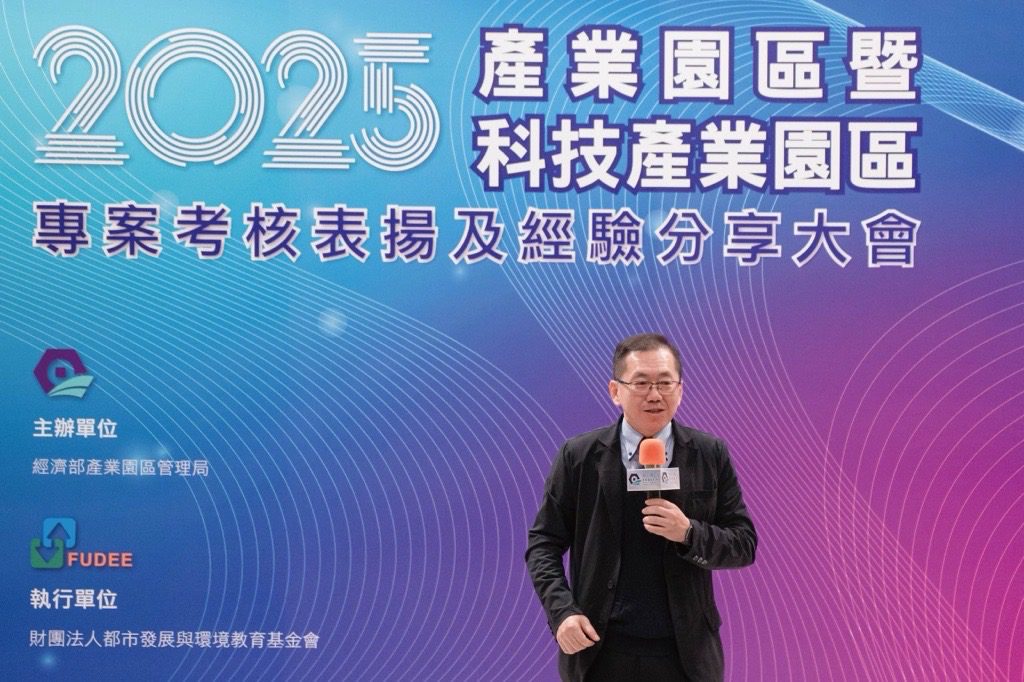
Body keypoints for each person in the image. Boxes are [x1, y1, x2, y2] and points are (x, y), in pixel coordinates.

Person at [525, 333, 757, 681]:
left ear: (680, 389)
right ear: (615, 391)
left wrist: (689, 533)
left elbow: (743, 544)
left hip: (685, 655)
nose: (654, 394)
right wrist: (562, 613)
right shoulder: (579, 456)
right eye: (641, 383)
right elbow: (543, 544)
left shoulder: (709, 454)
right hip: (600, 650)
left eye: (665, 383)